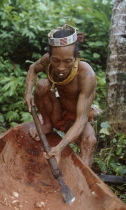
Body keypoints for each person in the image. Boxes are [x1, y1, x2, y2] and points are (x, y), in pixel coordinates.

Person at [25, 24, 97, 167]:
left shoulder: (86, 75)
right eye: (56, 60)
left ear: (76, 58)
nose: (61, 67)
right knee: (42, 85)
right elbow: (33, 68)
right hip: (56, 111)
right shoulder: (47, 61)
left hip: (75, 118)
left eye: (67, 61)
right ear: (49, 56)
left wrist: (59, 147)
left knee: (89, 142)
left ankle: (83, 184)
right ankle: (47, 124)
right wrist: (28, 93)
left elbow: (82, 119)